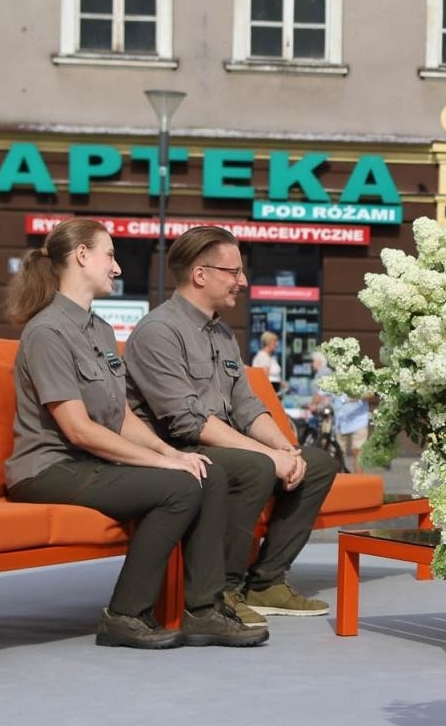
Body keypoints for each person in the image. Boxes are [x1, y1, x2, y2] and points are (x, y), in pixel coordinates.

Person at [1, 219, 266, 650]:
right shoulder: (47, 332)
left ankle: (204, 611)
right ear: (82, 256)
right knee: (179, 489)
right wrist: (164, 463)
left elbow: (121, 416)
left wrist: (174, 453)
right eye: (109, 255)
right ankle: (125, 615)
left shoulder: (101, 331)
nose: (117, 267)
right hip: (48, 469)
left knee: (207, 471)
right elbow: (78, 429)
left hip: (86, 463)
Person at [124, 226, 337, 624]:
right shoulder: (159, 332)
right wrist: (267, 456)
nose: (243, 281)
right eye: (233, 271)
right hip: (174, 452)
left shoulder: (221, 332)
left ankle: (267, 582)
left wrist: (286, 450)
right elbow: (187, 421)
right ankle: (222, 589)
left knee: (317, 463)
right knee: (253, 466)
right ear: (200, 275)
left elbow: (246, 405)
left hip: (216, 443)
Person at [253, 330, 283, 395]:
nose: (277, 344)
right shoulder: (263, 356)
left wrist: (282, 383)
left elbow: (274, 376)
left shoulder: (271, 357)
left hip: (275, 391)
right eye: (274, 341)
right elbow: (265, 378)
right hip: (268, 393)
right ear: (268, 342)